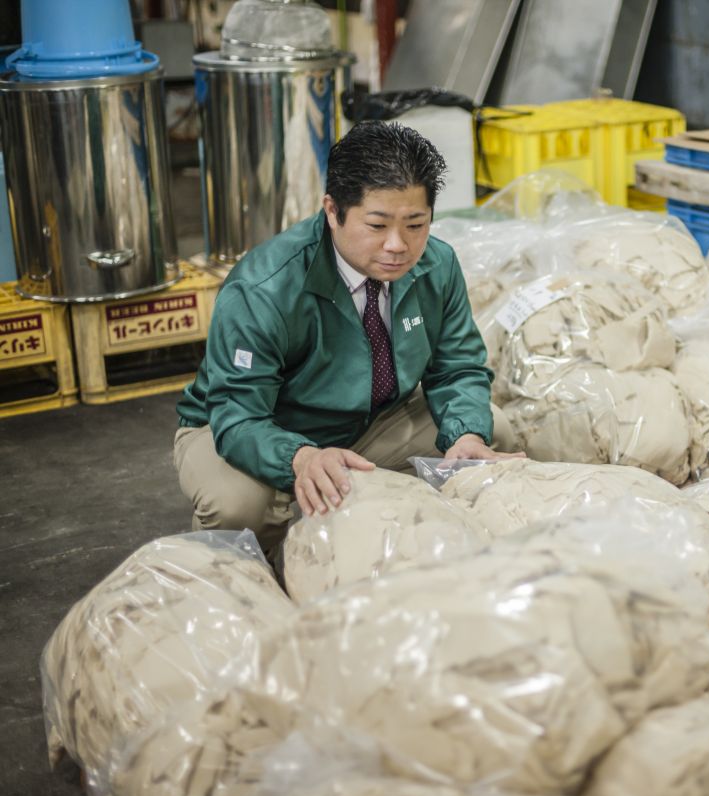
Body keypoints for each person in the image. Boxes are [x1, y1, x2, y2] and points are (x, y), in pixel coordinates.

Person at [174, 122, 522, 549]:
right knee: (239, 506)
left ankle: (404, 542)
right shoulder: (265, 287)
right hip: (256, 426)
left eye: (415, 224)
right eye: (377, 226)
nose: (398, 245)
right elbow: (238, 414)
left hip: (369, 420)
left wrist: (466, 435)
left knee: (491, 433)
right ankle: (245, 571)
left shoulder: (437, 266)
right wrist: (301, 457)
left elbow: (457, 369)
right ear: (333, 211)